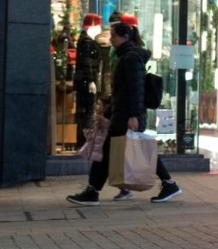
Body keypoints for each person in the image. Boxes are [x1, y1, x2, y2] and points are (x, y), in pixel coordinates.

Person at [67, 22, 182, 206]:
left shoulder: (130, 58)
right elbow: (123, 91)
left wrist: (134, 116)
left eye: (113, 35)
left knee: (119, 152)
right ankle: (168, 184)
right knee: (130, 151)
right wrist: (109, 110)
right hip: (123, 113)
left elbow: (136, 89)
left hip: (128, 115)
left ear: (125, 37)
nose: (111, 38)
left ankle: (93, 191)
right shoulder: (126, 57)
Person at [74, 13, 102, 146]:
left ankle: (83, 140)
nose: (100, 29)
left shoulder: (84, 40)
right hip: (86, 83)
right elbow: (87, 62)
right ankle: (85, 141)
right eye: (98, 26)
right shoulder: (87, 42)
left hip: (84, 82)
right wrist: (91, 80)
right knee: (88, 111)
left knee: (85, 111)